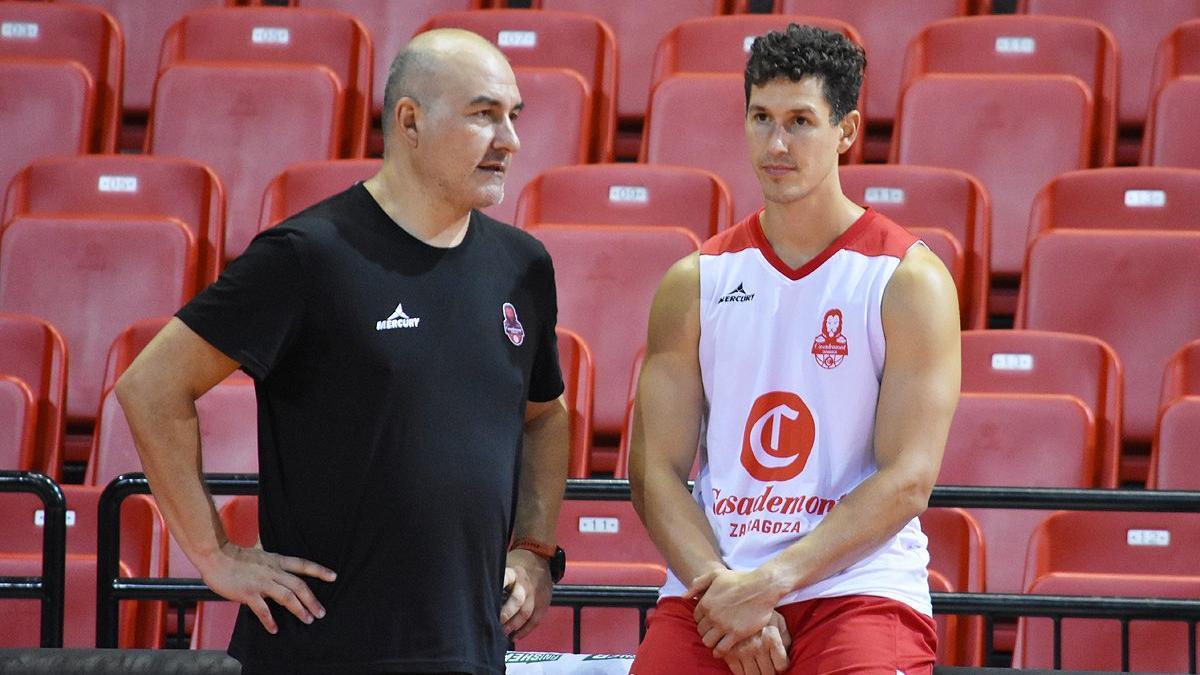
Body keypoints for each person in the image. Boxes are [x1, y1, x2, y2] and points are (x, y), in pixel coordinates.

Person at [116, 29, 569, 675]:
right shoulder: (309, 254)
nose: (510, 140)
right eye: (483, 114)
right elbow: (152, 385)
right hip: (322, 649)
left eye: (513, 117)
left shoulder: (522, 265)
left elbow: (546, 415)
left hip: (469, 648)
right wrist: (214, 553)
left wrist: (533, 546)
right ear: (410, 121)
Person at [628, 24, 961, 675]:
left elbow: (908, 480)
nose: (776, 143)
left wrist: (771, 582)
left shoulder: (907, 280)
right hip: (714, 586)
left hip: (856, 589)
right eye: (761, 118)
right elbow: (653, 470)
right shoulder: (695, 280)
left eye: (800, 121)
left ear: (846, 129)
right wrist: (722, 591)